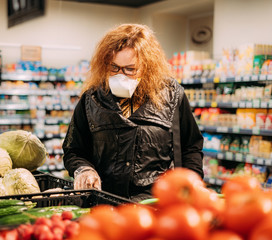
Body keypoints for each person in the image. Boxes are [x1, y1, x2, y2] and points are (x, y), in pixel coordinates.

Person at [62, 23, 204, 201]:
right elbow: (73, 150)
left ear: (147, 67)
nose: (121, 75)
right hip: (105, 201)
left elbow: (191, 147)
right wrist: (84, 169)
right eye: (114, 67)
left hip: (155, 202)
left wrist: (191, 185)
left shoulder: (172, 95)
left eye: (130, 69)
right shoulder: (91, 99)